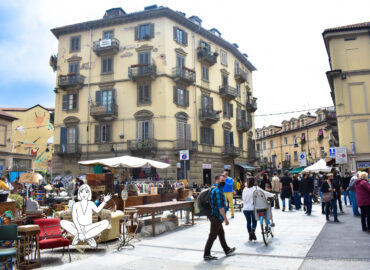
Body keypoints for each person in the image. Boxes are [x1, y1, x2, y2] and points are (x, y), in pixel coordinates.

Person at [203, 174, 235, 261]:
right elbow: (220, 206)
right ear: (217, 180)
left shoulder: (218, 189)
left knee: (221, 233)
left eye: (224, 180)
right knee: (212, 235)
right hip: (216, 216)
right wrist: (226, 219)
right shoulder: (217, 191)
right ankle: (206, 254)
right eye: (222, 180)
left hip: (216, 216)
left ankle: (227, 250)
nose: (223, 182)